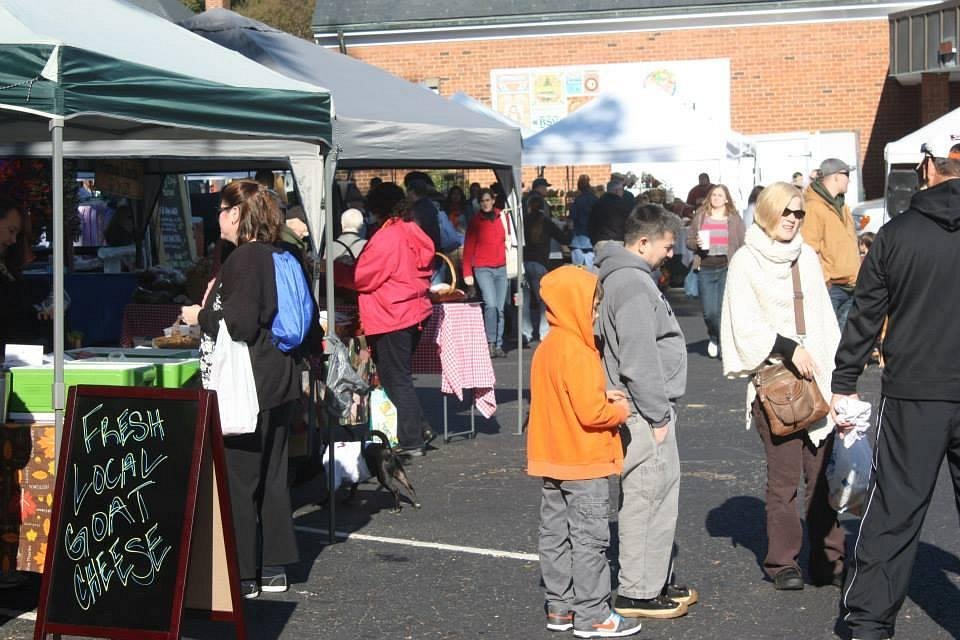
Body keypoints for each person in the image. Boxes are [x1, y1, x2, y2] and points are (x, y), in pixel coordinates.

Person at [831, 140, 960, 640]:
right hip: (919, 388)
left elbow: (865, 314)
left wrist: (845, 381)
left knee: (895, 510)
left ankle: (868, 622)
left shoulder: (895, 235)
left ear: (928, 168)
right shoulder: (897, 233)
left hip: (914, 393)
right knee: (894, 508)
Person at [719, 182, 845, 592]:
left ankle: (829, 558)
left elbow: (825, 320)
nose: (793, 220)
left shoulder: (806, 257)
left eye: (799, 213)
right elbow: (744, 322)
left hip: (818, 379)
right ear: (769, 212)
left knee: (824, 477)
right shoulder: (745, 261)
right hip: (778, 386)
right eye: (786, 212)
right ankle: (782, 563)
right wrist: (790, 347)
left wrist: (839, 376)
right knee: (784, 479)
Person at [181, 180, 302, 600]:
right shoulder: (283, 254)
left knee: (239, 477)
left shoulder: (245, 259)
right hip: (280, 379)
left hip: (248, 384)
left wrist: (201, 315)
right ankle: (273, 566)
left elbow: (241, 324)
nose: (217, 218)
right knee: (272, 475)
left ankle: (243, 572)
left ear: (236, 213)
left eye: (221, 209)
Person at [526, 265, 638, 638]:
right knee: (589, 539)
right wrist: (618, 410)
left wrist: (599, 395)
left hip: (552, 457)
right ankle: (593, 615)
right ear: (575, 306)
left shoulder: (547, 348)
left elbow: (560, 397)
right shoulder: (579, 351)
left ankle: (561, 607)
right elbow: (591, 414)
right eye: (591, 308)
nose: (593, 315)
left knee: (554, 534)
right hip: (584, 461)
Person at [596, 205, 695, 620]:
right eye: (667, 246)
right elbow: (638, 359)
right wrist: (657, 417)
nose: (671, 253)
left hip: (643, 407)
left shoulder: (627, 278)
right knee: (646, 495)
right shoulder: (633, 284)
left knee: (655, 493)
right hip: (642, 410)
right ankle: (638, 590)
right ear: (642, 243)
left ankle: (653, 579)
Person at [353, 193, 435, 457]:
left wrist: (335, 271)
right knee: (398, 376)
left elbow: (364, 278)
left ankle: (412, 440)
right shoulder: (412, 231)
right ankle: (420, 428)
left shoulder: (387, 237)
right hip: (412, 311)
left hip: (393, 313)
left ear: (378, 211)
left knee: (396, 378)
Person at [686, 184, 746, 358]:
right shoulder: (701, 217)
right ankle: (714, 336)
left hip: (726, 267)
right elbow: (688, 241)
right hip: (705, 266)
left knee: (722, 310)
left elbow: (743, 243)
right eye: (713, 195)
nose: (716, 198)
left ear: (726, 199)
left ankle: (724, 344)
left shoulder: (734, 219)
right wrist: (696, 243)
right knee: (709, 311)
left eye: (720, 195)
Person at [803, 158, 859, 330]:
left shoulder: (843, 206)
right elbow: (809, 248)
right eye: (846, 175)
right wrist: (825, 280)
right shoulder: (813, 207)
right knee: (829, 339)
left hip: (851, 285)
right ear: (834, 177)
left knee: (844, 340)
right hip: (832, 288)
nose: (849, 179)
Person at [463, 188, 508, 358]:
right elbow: (468, 249)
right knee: (491, 305)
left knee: (501, 309)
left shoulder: (503, 217)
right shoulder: (475, 222)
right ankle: (490, 342)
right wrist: (468, 273)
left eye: (488, 200)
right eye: (482, 201)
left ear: (493, 200)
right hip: (483, 268)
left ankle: (498, 344)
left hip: (502, 268)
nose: (485, 203)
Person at [523, 194, 570, 345]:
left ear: (529, 207)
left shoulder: (523, 221)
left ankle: (526, 332)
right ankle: (544, 332)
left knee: (525, 300)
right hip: (540, 263)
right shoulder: (547, 223)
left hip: (523, 263)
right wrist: (568, 229)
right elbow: (563, 238)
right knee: (543, 300)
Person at [588, 177, 630, 247]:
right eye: (622, 190)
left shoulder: (597, 204)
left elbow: (590, 225)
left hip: (600, 242)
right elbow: (629, 224)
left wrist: (594, 241)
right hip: (619, 242)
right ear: (617, 191)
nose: (623, 192)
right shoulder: (624, 205)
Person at [570, 174, 598, 268]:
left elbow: (571, 221)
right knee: (591, 274)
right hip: (592, 240)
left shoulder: (577, 201)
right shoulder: (596, 200)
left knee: (577, 273)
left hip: (578, 240)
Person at [406, 180, 442, 251]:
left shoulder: (416, 210)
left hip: (424, 251)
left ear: (411, 192)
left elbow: (415, 232)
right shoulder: (430, 205)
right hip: (434, 247)